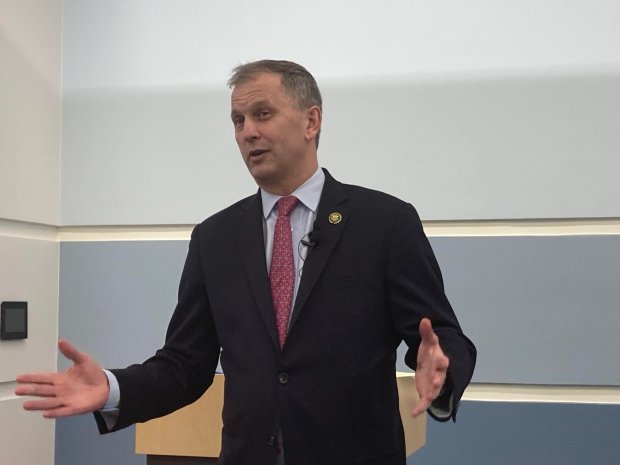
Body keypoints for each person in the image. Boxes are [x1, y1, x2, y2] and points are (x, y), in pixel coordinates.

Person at [16, 60, 476, 465]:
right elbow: (185, 364)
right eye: (237, 120)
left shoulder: (384, 222)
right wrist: (114, 389)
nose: (247, 132)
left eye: (262, 114)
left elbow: (441, 334)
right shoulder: (215, 237)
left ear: (311, 120)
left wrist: (443, 367)